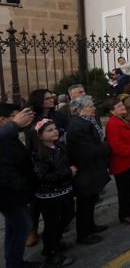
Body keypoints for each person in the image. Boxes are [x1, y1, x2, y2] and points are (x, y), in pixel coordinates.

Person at [0, 104, 42, 268]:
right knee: (23, 225)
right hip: (8, 194)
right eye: (15, 116)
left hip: (15, 193)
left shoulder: (9, 137)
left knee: (14, 226)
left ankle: (13, 262)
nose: (22, 119)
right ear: (3, 120)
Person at [66, 96, 110, 245]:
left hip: (91, 170)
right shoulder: (78, 126)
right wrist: (106, 147)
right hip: (85, 171)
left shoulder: (86, 122)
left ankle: (91, 227)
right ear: (79, 110)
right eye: (90, 106)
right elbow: (88, 151)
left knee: (90, 201)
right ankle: (83, 235)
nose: (94, 108)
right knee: (84, 205)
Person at [32, 119, 76, 267]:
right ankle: (51, 253)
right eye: (49, 130)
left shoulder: (59, 146)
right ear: (40, 135)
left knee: (68, 215)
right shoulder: (39, 154)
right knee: (52, 224)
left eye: (55, 128)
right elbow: (42, 177)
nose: (55, 131)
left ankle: (55, 242)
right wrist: (67, 172)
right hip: (49, 196)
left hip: (65, 190)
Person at [104, 97, 130, 225]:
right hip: (122, 162)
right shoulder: (112, 124)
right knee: (124, 189)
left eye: (122, 105)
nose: (123, 107)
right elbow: (116, 146)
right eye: (119, 107)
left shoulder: (124, 119)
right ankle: (124, 214)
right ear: (112, 111)